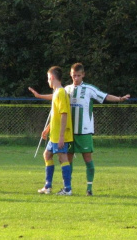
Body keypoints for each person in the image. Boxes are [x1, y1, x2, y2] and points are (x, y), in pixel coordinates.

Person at [29, 63, 130, 196]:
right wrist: (40, 96)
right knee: (67, 159)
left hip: (84, 131)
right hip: (69, 132)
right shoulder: (67, 89)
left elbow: (104, 96)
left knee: (87, 158)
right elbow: (55, 99)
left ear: (83, 75)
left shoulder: (89, 89)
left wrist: (120, 99)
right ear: (70, 75)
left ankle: (89, 188)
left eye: (78, 75)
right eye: (73, 75)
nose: (75, 78)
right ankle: (67, 187)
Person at [31, 66, 73, 195]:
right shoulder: (56, 93)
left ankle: (67, 189)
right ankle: (47, 187)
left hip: (60, 135)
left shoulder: (60, 92)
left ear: (53, 77)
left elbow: (64, 114)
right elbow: (55, 114)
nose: (48, 81)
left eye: (48, 78)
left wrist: (61, 137)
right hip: (53, 135)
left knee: (63, 158)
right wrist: (47, 128)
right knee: (47, 155)